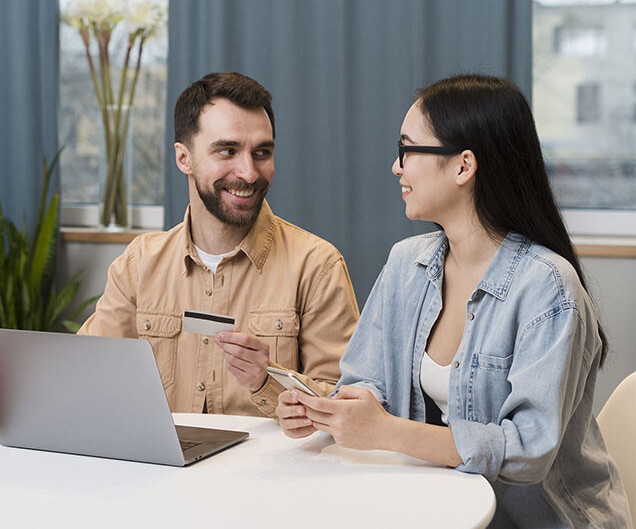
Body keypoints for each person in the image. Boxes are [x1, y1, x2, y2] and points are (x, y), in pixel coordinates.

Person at [276, 74, 630, 527]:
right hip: (436, 508)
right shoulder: (406, 264)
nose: (396, 166)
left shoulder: (548, 288)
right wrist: (328, 410)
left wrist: (386, 431)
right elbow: (366, 379)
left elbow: (527, 449)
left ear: (463, 167)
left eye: (408, 150)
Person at [80, 72, 359, 417]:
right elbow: (86, 375)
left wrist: (265, 382)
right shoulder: (138, 264)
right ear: (184, 159)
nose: (249, 172)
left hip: (272, 472)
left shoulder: (317, 266)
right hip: (162, 469)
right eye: (227, 150)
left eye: (262, 152)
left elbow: (343, 402)